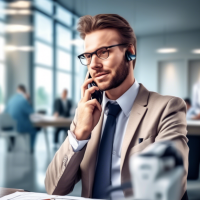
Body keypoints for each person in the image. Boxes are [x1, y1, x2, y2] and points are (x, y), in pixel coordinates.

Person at [45, 14, 188, 200]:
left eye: (103, 52)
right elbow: (54, 189)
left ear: (130, 51)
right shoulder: (86, 112)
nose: (94, 65)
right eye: (88, 56)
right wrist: (80, 134)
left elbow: (171, 187)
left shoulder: (167, 108)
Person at [5, 84, 37, 153]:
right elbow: (32, 112)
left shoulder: (11, 99)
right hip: (20, 127)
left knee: (13, 124)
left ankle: (10, 147)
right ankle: (31, 148)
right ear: (25, 91)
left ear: (17, 90)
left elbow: (5, 112)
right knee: (34, 131)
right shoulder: (24, 100)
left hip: (10, 126)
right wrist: (29, 100)